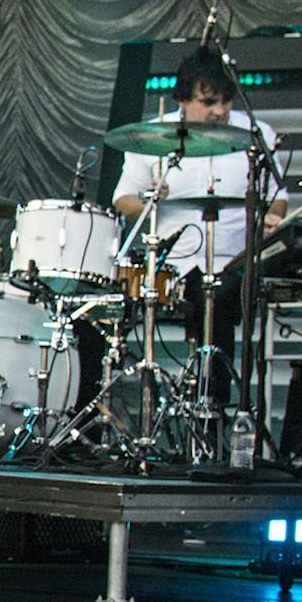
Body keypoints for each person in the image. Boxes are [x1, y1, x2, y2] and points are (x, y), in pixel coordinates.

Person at [111, 45, 285, 407]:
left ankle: (216, 413)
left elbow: (278, 195)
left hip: (237, 263)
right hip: (178, 264)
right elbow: (123, 199)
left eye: (225, 101)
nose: (220, 111)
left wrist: (273, 216)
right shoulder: (155, 136)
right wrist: (151, 202)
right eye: (208, 102)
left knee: (220, 298)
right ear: (183, 100)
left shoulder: (256, 133)